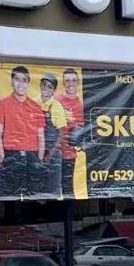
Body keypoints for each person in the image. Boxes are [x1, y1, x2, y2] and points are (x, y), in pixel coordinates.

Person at [0, 65, 45, 197]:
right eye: (17, 79)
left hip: (32, 157)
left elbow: (41, 136)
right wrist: (2, 158)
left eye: (24, 80)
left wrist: (38, 160)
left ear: (28, 83)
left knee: (31, 200)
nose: (20, 83)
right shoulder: (3, 104)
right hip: (11, 156)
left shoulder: (36, 107)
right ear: (12, 82)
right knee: (10, 200)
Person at [35, 72, 68, 198]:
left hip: (52, 153)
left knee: (52, 189)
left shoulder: (56, 106)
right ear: (40, 86)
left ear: (53, 90)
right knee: (36, 190)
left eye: (49, 87)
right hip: (36, 151)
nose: (46, 89)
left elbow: (62, 134)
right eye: (44, 85)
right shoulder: (33, 103)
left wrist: (50, 155)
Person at [57, 68, 85, 198]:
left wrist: (78, 132)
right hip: (54, 153)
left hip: (69, 155)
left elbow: (86, 130)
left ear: (78, 83)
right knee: (52, 190)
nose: (70, 84)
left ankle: (69, 219)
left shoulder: (82, 106)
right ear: (63, 83)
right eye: (67, 81)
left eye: (74, 80)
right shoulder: (55, 100)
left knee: (68, 190)